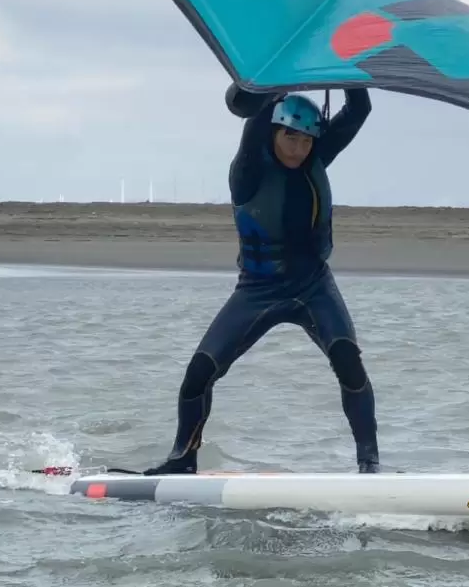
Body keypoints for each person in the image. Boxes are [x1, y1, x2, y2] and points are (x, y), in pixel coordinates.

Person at [143, 84, 380, 475]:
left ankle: (369, 465)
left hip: (313, 286)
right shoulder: (249, 167)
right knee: (199, 373)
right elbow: (254, 112)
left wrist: (347, 70)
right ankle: (181, 459)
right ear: (274, 131)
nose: (298, 148)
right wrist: (277, 78)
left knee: (348, 362)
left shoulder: (316, 155)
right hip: (257, 290)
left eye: (307, 139)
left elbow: (359, 109)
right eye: (291, 136)